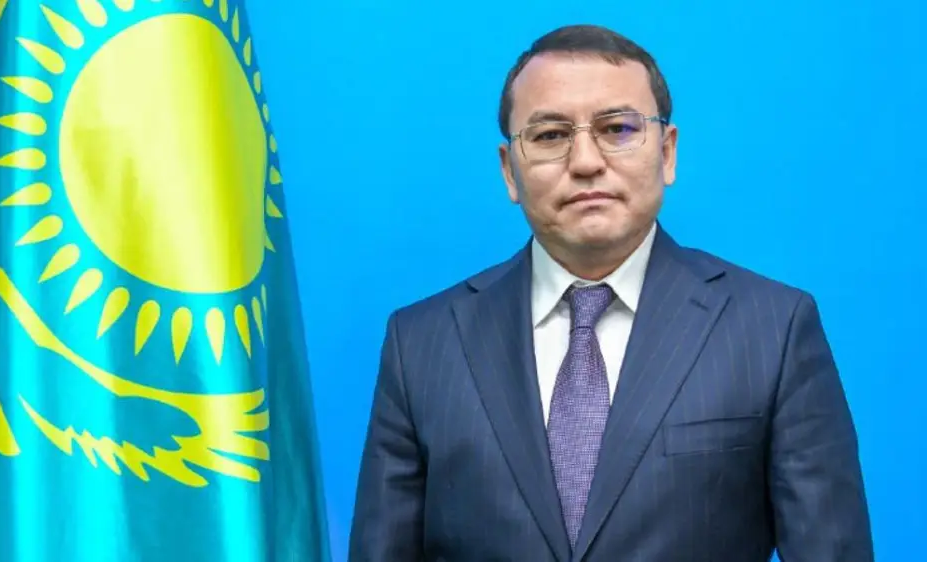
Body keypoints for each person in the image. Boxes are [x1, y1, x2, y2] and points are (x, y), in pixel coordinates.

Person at [348, 24, 874, 562]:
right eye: (550, 135)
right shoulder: (422, 345)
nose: (585, 162)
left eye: (618, 128)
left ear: (667, 152)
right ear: (509, 171)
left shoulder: (772, 329)